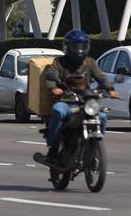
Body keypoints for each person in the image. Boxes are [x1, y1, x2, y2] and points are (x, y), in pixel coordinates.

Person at [42, 29, 118, 164]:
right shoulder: (59, 62)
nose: (79, 49)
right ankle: (52, 149)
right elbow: (51, 76)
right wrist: (54, 88)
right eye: (76, 46)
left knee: (103, 116)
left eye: (82, 46)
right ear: (67, 46)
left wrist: (110, 89)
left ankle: (94, 146)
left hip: (85, 102)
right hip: (66, 101)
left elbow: (101, 76)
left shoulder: (90, 62)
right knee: (58, 111)